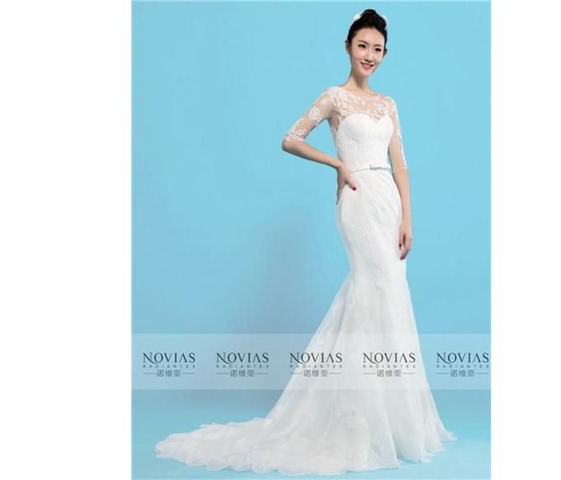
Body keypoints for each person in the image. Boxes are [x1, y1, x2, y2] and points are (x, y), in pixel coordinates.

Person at [154, 9, 457, 475]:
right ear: (347, 46)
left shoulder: (388, 104)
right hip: (357, 199)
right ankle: (356, 427)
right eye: (363, 46)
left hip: (389, 203)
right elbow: (291, 139)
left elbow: (401, 163)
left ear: (385, 54)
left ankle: (393, 425)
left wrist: (408, 219)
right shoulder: (334, 97)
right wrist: (337, 164)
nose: (370, 55)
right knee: (373, 288)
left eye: (378, 49)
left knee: (389, 294)